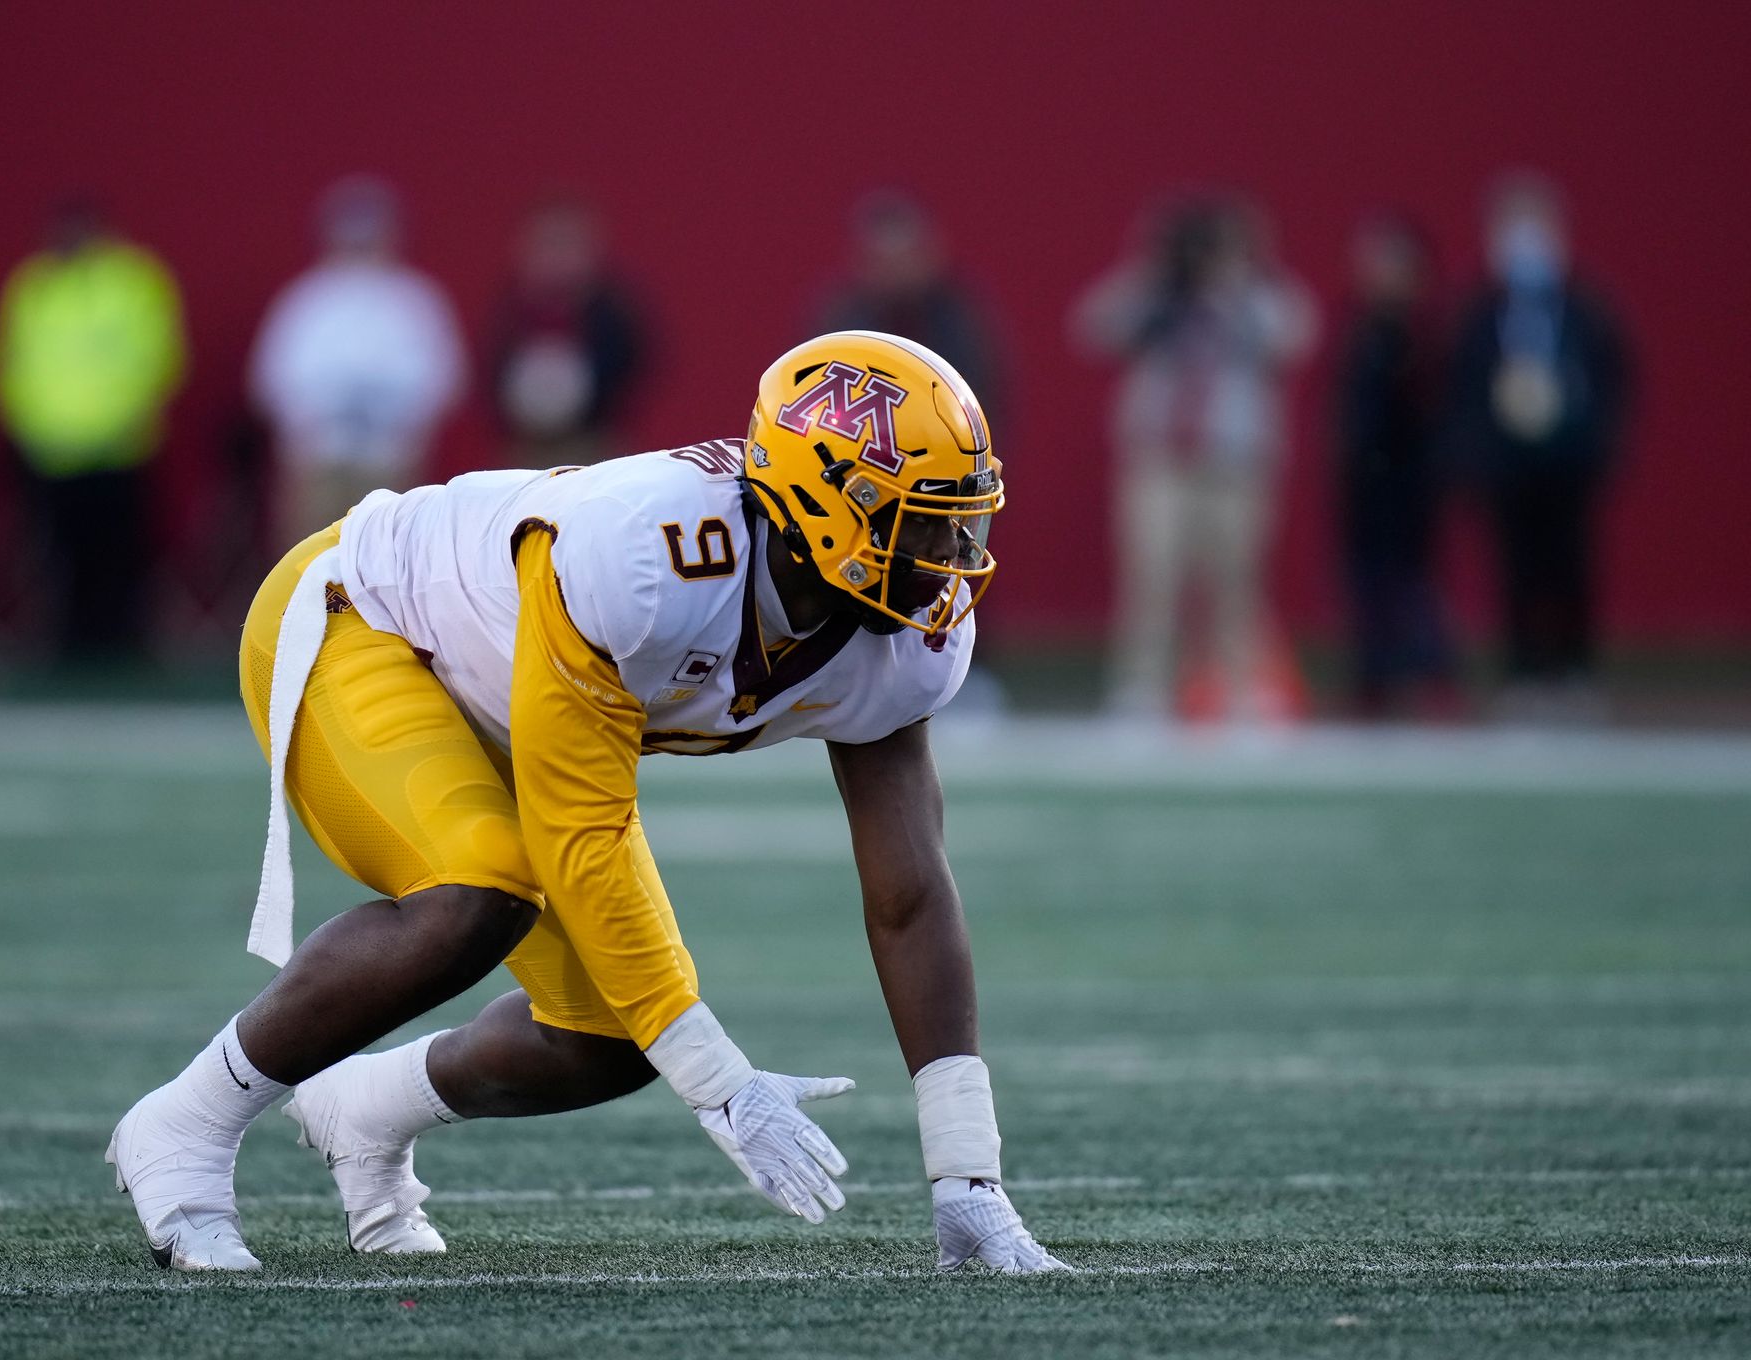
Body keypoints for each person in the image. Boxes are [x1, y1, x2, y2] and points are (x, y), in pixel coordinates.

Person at [106, 331, 1064, 1276]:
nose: (949, 555)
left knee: (614, 1037)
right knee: (484, 888)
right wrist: (721, 1085)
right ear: (825, 503)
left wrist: (966, 1174)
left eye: (957, 520)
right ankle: (185, 1123)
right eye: (921, 519)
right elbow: (580, 832)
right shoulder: (648, 558)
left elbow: (910, 891)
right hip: (371, 622)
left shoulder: (902, 642)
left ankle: (365, 1110)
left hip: (519, 711)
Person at [1074, 196, 1316, 722]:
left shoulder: (1258, 297)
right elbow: (1094, 327)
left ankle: (1240, 689)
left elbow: (1294, 335)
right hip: (1161, 459)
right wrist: (1156, 276)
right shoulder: (1158, 295)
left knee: (1236, 580)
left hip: (1234, 463)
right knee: (1152, 575)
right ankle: (1140, 689)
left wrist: (1232, 289)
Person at [1442, 174, 1629, 719]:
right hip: (1508, 461)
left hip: (1569, 459)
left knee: (1572, 567)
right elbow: (1464, 388)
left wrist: (1601, 442)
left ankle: (1576, 669)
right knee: (1515, 569)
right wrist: (1472, 454)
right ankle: (1524, 672)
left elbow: (1614, 379)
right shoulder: (1482, 313)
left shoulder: (1586, 308)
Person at [0, 198, 185, 659]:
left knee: (119, 556)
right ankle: (63, 649)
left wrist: (126, 418)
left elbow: (159, 355)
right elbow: (12, 362)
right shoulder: (34, 286)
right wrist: (28, 427)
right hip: (51, 454)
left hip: (119, 449)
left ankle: (122, 648)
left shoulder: (133, 281)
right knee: (57, 560)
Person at [249, 175, 466, 544]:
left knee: (392, 557)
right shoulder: (307, 300)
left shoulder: (415, 300)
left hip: (390, 459)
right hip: (320, 459)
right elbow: (273, 378)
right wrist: (307, 430)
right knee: (312, 559)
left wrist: (403, 428)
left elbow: (443, 377)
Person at [1333, 214, 1460, 719]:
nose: (1372, 271)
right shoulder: (1361, 325)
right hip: (1362, 475)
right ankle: (1376, 675)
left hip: (1408, 476)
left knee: (1409, 580)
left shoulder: (1425, 332)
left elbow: (1432, 408)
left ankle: (1433, 674)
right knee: (1365, 580)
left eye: (1386, 261)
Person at [485, 195, 645, 469]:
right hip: (528, 447)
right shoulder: (514, 311)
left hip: (592, 444)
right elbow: (490, 368)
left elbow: (635, 360)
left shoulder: (610, 310)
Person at [817, 192, 1000, 418]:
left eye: (905, 256)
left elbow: (982, 398)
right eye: (884, 259)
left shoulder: (960, 321)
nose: (896, 269)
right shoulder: (841, 324)